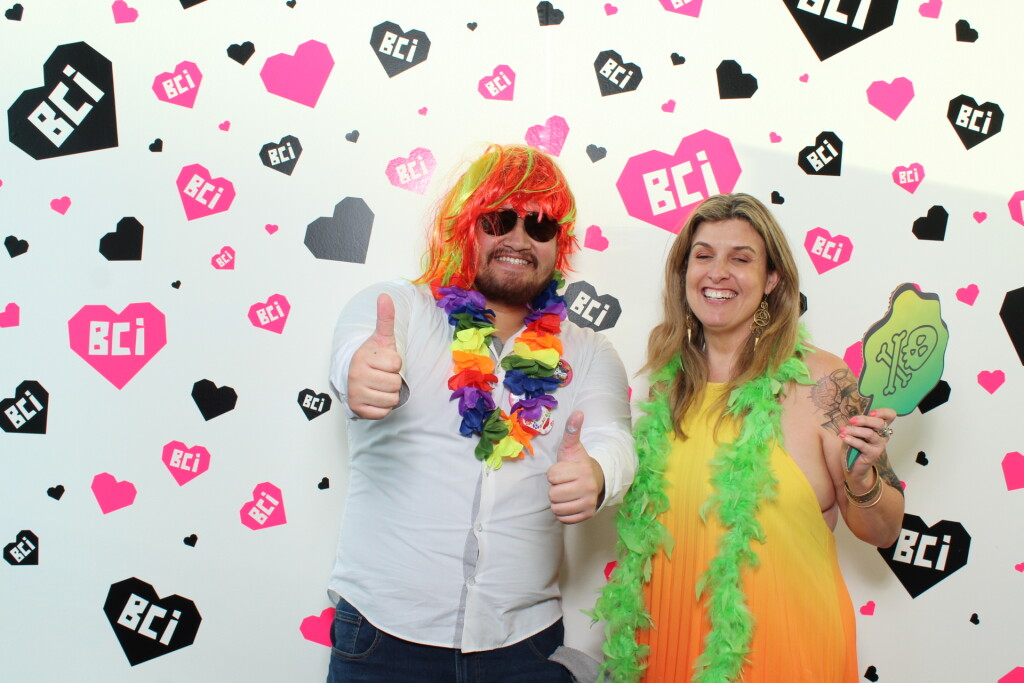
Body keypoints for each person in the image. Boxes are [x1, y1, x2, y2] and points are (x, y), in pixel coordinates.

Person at [326, 144, 635, 682]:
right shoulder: (399, 308)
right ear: (468, 226)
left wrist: (600, 473)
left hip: (523, 646)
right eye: (499, 219)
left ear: (558, 244)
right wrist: (362, 374)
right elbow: (356, 350)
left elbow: (614, 438)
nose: (519, 239)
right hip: (382, 637)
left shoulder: (589, 351)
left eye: (539, 225)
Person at [594, 193, 904, 683]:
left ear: (772, 279)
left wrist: (862, 479)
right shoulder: (667, 387)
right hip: (669, 644)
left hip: (784, 650)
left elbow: (884, 532)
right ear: (684, 273)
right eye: (703, 256)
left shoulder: (822, 383)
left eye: (741, 259)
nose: (718, 273)